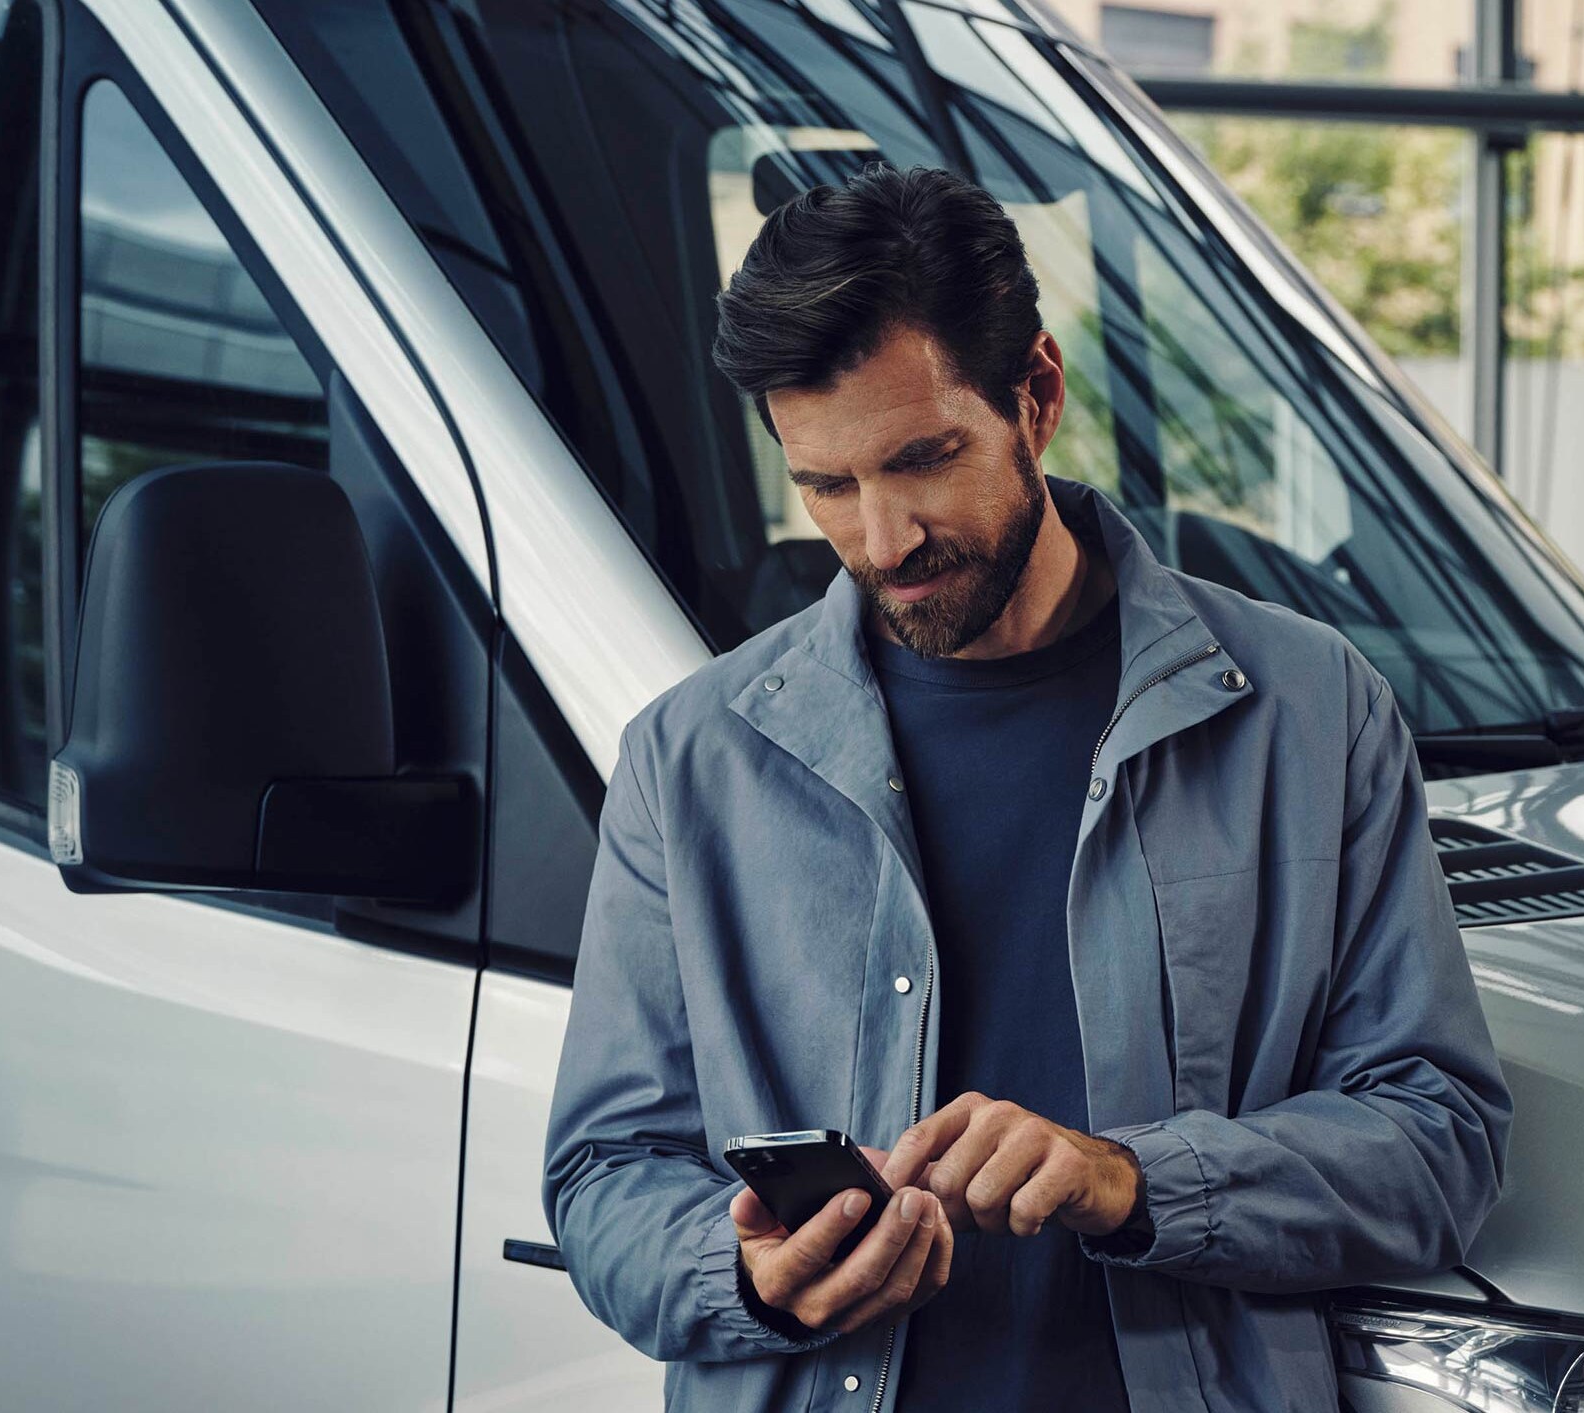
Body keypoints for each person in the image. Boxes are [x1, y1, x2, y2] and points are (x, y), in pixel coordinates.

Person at [542, 164, 1512, 1413]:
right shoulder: (691, 760)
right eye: (828, 485)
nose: (883, 538)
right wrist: (745, 1272)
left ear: (1035, 396)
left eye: (923, 461)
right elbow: (602, 1176)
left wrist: (1131, 1179)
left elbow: (1441, 1140)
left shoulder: (1310, 712)